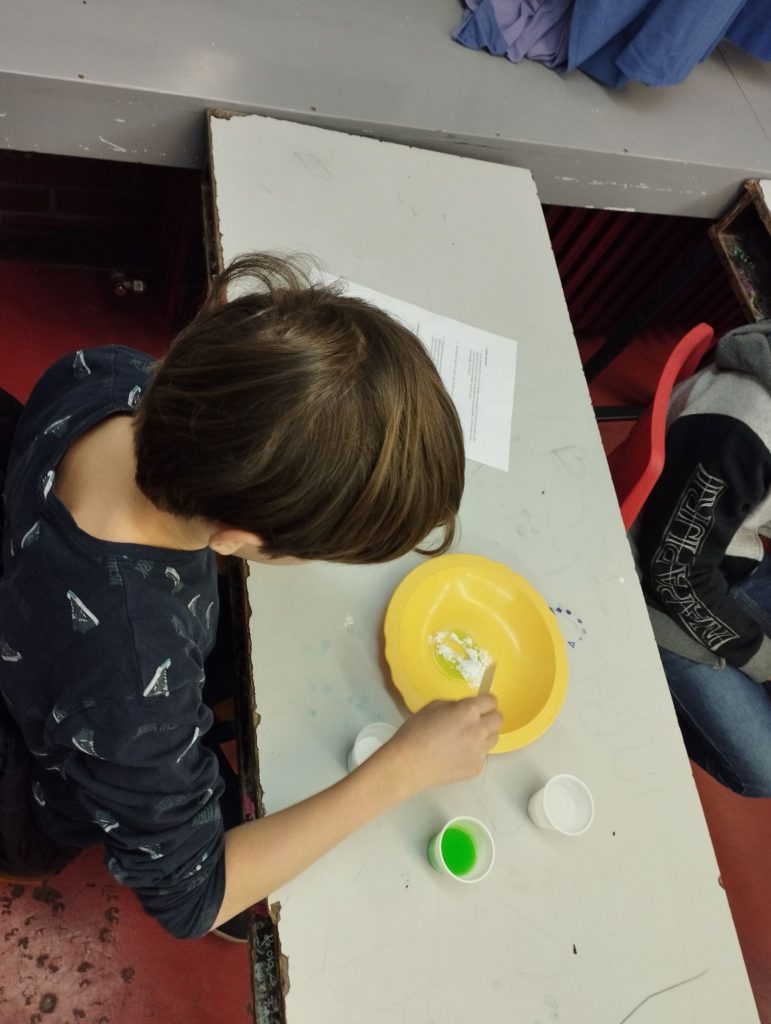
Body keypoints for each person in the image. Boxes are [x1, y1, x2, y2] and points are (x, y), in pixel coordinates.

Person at [0, 253, 502, 940]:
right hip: (44, 784)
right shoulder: (132, 682)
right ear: (236, 540)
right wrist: (402, 769)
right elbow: (192, 900)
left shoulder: (116, 376)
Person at [636, 320, 771, 799]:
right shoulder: (745, 425)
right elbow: (673, 572)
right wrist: (757, 656)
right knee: (763, 773)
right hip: (652, 586)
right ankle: (649, 693)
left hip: (726, 553)